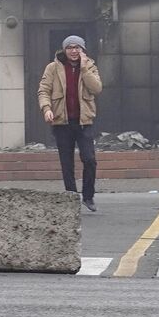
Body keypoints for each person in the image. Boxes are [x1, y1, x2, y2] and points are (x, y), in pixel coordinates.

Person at [37, 35, 102, 212]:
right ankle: (71, 198)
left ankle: (88, 196)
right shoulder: (53, 68)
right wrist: (47, 108)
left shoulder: (89, 66)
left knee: (89, 160)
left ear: (83, 50)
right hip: (61, 122)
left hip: (84, 122)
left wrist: (84, 69)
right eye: (70, 47)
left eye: (77, 47)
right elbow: (43, 90)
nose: (74, 51)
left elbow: (96, 89)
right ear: (64, 50)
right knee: (67, 163)